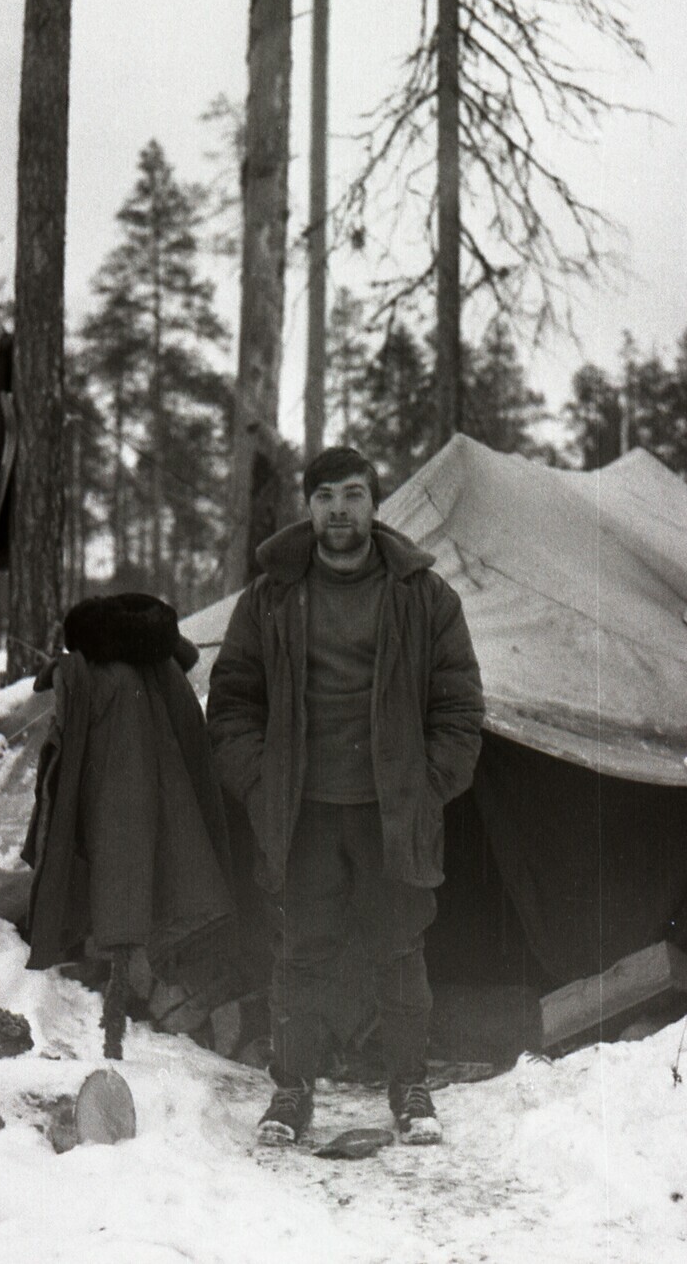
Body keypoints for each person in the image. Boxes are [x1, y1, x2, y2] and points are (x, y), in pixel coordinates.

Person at [207, 446, 484, 1146]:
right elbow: (232, 705)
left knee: (399, 946)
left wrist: (428, 790)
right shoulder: (270, 597)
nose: (339, 510)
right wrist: (260, 784)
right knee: (300, 950)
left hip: (393, 813)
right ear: (308, 506)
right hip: (301, 813)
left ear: (374, 504)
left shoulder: (422, 596)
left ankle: (410, 1088)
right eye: (325, 496)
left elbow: (459, 708)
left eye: (353, 494)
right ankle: (291, 1092)